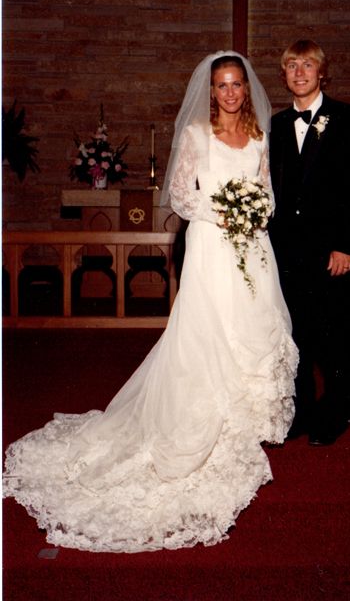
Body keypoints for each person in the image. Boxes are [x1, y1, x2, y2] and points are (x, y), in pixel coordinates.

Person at [3, 51, 298, 553]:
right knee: (208, 332)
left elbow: (268, 193)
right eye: (221, 85)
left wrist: (253, 212)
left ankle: (243, 422)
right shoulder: (195, 136)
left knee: (252, 325)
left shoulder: (260, 137)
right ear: (211, 92)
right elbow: (182, 196)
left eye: (236, 85)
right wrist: (225, 210)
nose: (229, 93)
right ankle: (204, 418)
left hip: (252, 247)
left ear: (247, 89)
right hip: (209, 243)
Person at [269, 39, 350, 447]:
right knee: (296, 339)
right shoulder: (276, 125)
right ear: (284, 75)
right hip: (289, 253)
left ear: (321, 72)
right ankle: (301, 412)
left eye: (307, 65)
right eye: (292, 65)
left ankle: (335, 414)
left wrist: (345, 245)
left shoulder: (347, 117)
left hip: (334, 251)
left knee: (334, 337)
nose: (299, 72)